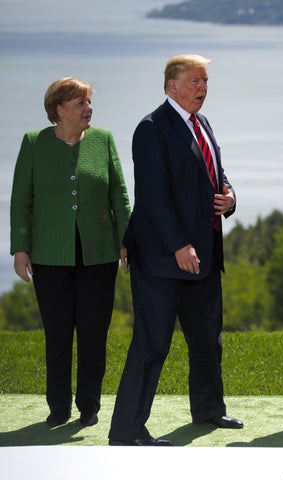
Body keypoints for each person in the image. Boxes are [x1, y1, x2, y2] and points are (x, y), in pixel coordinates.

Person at [108, 54, 242, 447]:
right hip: (162, 259)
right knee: (151, 345)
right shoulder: (150, 129)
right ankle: (127, 431)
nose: (203, 88)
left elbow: (215, 172)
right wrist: (179, 246)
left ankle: (208, 409)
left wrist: (230, 196)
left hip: (203, 256)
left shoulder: (202, 124)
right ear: (173, 86)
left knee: (206, 339)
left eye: (206, 82)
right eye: (196, 81)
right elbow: (153, 197)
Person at [10, 77, 131, 428]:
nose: (89, 109)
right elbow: (21, 200)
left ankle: (88, 406)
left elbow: (120, 196)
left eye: (89, 103)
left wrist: (126, 240)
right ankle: (58, 407)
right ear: (59, 109)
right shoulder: (33, 143)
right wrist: (21, 248)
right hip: (49, 256)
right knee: (58, 334)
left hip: (99, 255)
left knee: (94, 333)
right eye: (81, 103)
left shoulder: (104, 140)